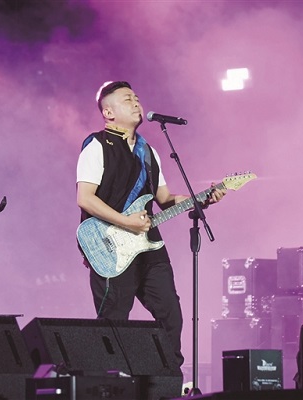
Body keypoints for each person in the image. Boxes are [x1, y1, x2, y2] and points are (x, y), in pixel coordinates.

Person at [76, 81, 226, 368]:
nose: (136, 102)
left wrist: (202, 198)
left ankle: (166, 376)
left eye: (136, 97)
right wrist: (126, 222)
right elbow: (85, 198)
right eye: (126, 99)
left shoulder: (149, 152)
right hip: (110, 246)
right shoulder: (96, 146)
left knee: (171, 314)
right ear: (108, 112)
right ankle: (113, 379)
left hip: (149, 245)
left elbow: (165, 199)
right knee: (114, 320)